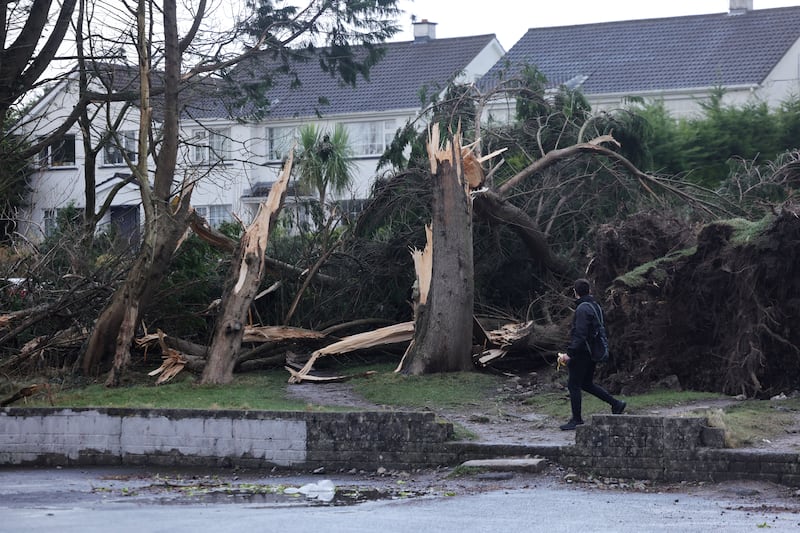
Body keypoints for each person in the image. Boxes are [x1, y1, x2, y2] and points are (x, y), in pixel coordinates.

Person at [558, 278, 626, 430]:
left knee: (574, 384)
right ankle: (616, 404)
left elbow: (580, 334)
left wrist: (569, 354)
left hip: (582, 353)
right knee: (586, 384)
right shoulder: (596, 306)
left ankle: (576, 420)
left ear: (575, 293)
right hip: (593, 352)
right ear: (589, 291)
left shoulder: (582, 309)